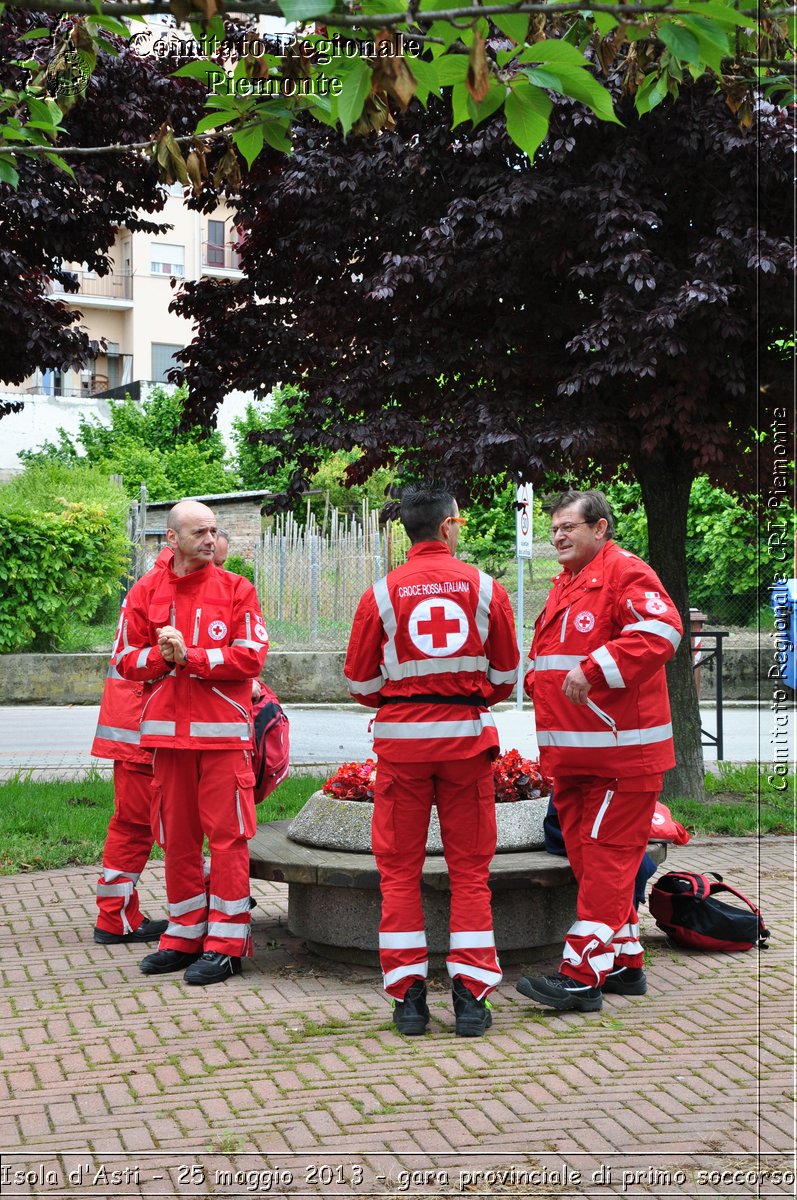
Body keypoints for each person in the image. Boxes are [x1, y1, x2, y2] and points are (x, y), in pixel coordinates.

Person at [344, 485, 519, 1037]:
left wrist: (404, 698)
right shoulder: (487, 588)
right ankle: (470, 998)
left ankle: (409, 1000)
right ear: (448, 527)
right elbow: (505, 677)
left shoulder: (381, 593)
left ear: (407, 531)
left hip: (402, 747)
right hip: (467, 744)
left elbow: (359, 681)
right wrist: (460, 695)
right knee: (471, 873)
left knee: (398, 873)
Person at [516, 489, 683, 1013]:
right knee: (592, 864)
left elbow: (662, 630)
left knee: (607, 865)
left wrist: (592, 670)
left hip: (622, 760)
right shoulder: (567, 582)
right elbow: (557, 657)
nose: (559, 536)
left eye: (569, 527)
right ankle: (626, 964)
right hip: (576, 761)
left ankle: (581, 976)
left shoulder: (625, 572)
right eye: (554, 529)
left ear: (601, 529)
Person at [114, 500, 268, 985]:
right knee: (177, 841)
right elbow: (124, 659)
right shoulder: (145, 591)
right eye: (199, 531)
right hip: (166, 742)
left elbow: (250, 657)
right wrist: (160, 659)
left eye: (213, 530)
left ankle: (225, 945)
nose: (209, 538)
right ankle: (183, 935)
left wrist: (193, 656)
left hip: (223, 743)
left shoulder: (237, 589)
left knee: (227, 842)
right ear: (172, 538)